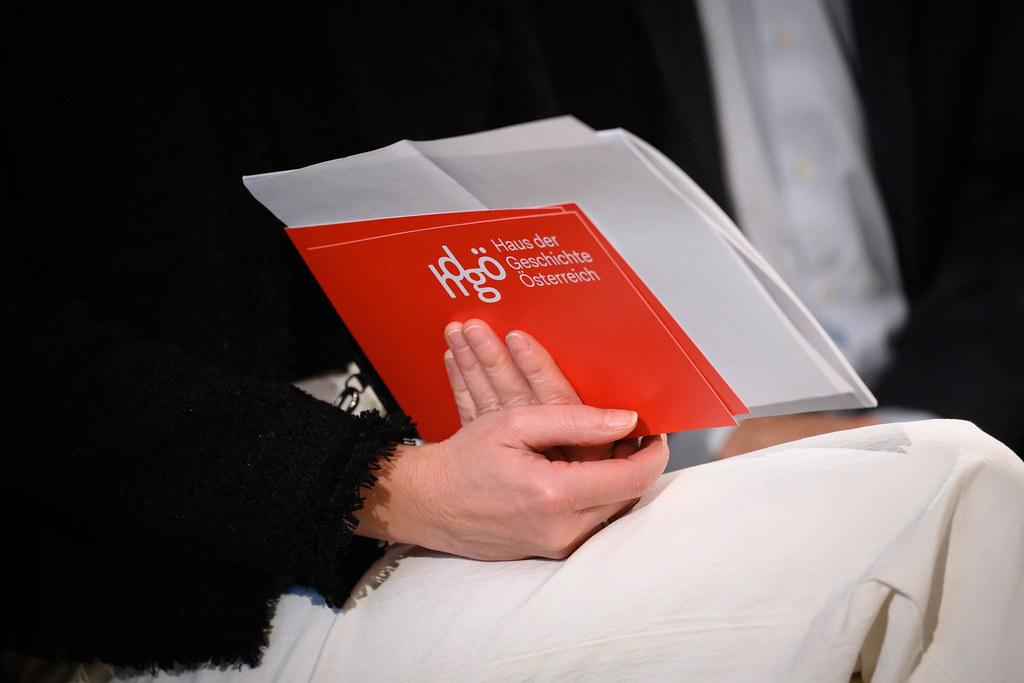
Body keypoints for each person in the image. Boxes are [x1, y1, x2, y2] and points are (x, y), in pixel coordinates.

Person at [4, 4, 1023, 679]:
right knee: (953, 493)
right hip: (183, 590)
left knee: (946, 499)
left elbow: (528, 220)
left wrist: (564, 413)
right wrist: (384, 483)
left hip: (459, 507)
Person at [533, 0, 1024, 462]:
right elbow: (548, 224)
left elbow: (1004, 209)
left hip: (952, 410)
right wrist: (708, 439)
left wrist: (931, 425)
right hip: (691, 455)